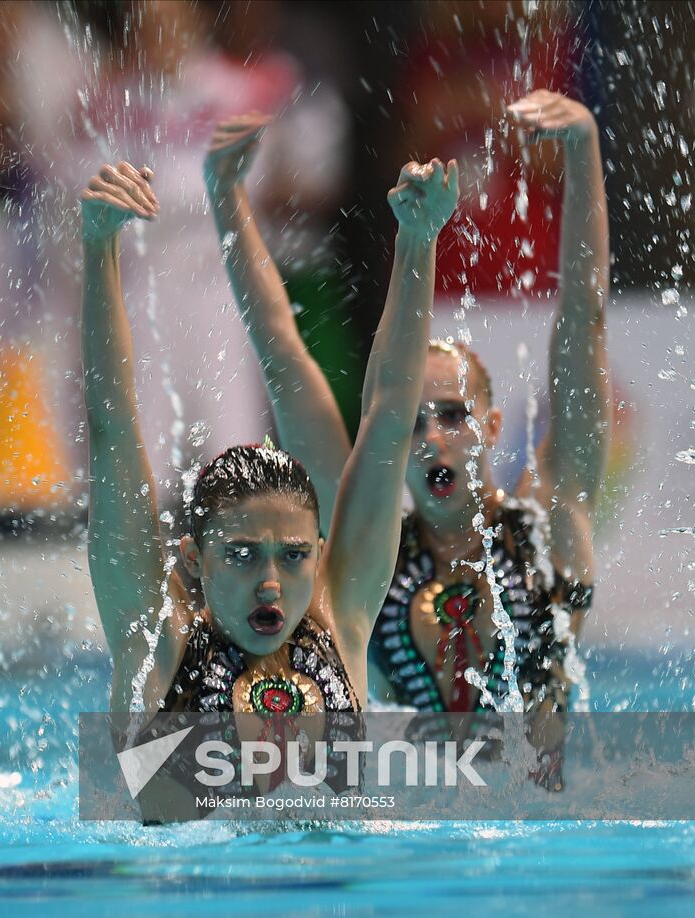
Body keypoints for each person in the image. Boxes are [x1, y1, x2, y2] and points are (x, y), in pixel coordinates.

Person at [207, 91, 608, 786]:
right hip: (417, 824)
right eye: (416, 420)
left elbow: (584, 318)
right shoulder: (370, 554)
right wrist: (224, 196)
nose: (430, 439)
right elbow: (282, 354)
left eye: (452, 416)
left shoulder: (551, 522)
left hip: (542, 826)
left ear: (494, 428)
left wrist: (584, 151)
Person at [81, 154, 457, 723]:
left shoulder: (341, 616)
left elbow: (390, 416)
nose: (270, 583)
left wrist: (418, 239)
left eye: (295, 555)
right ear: (195, 559)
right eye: (241, 555)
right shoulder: (157, 643)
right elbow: (112, 427)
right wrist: (98, 247)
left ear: (322, 554)